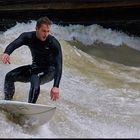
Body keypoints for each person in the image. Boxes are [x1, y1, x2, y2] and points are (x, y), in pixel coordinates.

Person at [0, 16, 63, 103]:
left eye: (48, 31)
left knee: (35, 76)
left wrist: (56, 86)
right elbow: (14, 44)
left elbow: (59, 64)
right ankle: (7, 102)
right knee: (9, 76)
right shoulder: (28, 37)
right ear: (37, 28)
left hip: (50, 71)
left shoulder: (53, 43)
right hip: (35, 67)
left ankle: (30, 106)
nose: (46, 34)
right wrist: (7, 53)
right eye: (43, 31)